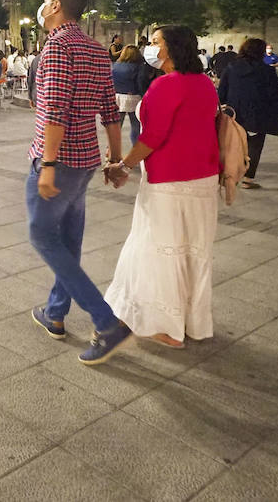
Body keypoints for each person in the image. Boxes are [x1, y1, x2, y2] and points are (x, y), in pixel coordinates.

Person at [26, 0, 132, 365]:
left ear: (55, 6)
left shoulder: (57, 47)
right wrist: (115, 160)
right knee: (69, 240)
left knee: (41, 234)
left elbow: (53, 110)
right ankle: (55, 312)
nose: (41, 8)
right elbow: (110, 109)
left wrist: (48, 166)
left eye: (43, 1)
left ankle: (107, 323)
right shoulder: (95, 49)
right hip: (86, 159)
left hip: (60, 160)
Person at [101, 25, 220, 349]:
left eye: (155, 43)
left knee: (158, 251)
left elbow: (152, 137)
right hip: (204, 180)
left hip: (168, 181)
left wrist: (122, 165)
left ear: (172, 49)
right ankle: (189, 320)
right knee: (191, 252)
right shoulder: (205, 84)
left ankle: (162, 325)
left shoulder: (166, 85)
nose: (149, 48)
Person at [218, 37, 278, 189]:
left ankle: (230, 175)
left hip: (235, 113)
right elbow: (275, 95)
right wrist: (277, 112)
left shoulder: (231, 68)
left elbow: (222, 92)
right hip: (258, 113)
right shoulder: (267, 70)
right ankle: (248, 179)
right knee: (255, 146)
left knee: (233, 145)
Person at [112, 44, 150, 145]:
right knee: (135, 126)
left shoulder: (116, 65)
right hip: (133, 97)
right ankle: (135, 147)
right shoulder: (139, 67)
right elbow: (140, 82)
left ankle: (111, 150)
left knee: (117, 125)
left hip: (118, 97)